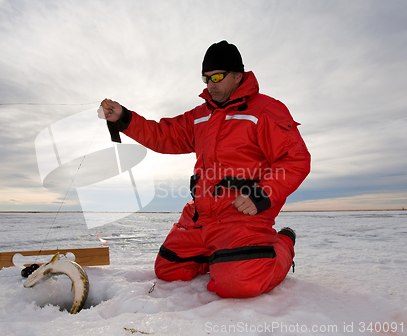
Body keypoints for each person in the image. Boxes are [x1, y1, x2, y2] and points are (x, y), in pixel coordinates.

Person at [100, 40, 311, 298]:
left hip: (241, 214)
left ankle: (283, 243)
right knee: (168, 270)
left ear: (237, 75)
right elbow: (163, 135)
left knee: (239, 284)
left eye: (218, 76)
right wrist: (124, 118)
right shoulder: (200, 115)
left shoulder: (265, 111)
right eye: (206, 77)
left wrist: (262, 194)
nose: (211, 84)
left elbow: (295, 159)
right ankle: (220, 256)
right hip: (201, 215)